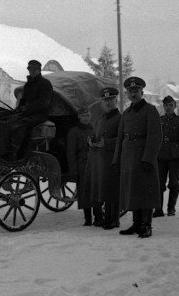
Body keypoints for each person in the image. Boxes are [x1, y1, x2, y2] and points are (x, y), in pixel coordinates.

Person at [113, 76, 162, 239]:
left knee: (145, 190)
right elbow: (121, 137)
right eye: (130, 91)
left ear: (142, 92)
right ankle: (136, 223)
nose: (133, 94)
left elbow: (155, 136)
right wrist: (116, 159)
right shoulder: (126, 113)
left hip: (143, 157)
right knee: (132, 190)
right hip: (128, 157)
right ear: (127, 94)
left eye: (136, 91)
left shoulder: (150, 110)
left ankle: (147, 225)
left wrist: (148, 158)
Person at [3, 60, 53, 160]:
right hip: (27, 113)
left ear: (39, 71)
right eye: (30, 69)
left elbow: (44, 102)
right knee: (7, 122)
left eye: (34, 70)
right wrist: (17, 110)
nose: (32, 71)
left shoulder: (45, 84)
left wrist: (26, 108)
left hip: (40, 115)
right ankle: (3, 149)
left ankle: (15, 153)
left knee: (20, 125)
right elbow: (23, 100)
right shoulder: (27, 85)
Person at [87, 87, 122, 230]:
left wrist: (106, 143)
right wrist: (91, 140)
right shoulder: (101, 118)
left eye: (110, 100)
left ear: (116, 101)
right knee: (105, 189)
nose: (107, 103)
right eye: (105, 100)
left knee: (113, 190)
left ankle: (114, 219)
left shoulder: (120, 118)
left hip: (113, 159)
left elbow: (121, 139)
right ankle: (106, 218)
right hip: (101, 160)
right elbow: (97, 134)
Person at [154, 96, 179, 218]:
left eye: (170, 105)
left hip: (175, 157)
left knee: (174, 183)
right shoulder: (159, 121)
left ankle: (171, 208)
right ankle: (158, 209)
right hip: (160, 157)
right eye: (166, 105)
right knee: (159, 183)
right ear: (163, 107)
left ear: (174, 106)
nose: (168, 108)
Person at [67, 107, 100, 226]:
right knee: (84, 192)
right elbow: (71, 153)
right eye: (83, 115)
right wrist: (73, 171)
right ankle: (88, 218)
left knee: (96, 191)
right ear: (79, 117)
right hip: (81, 166)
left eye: (88, 115)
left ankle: (98, 216)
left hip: (94, 164)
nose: (86, 118)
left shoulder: (94, 129)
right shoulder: (74, 132)